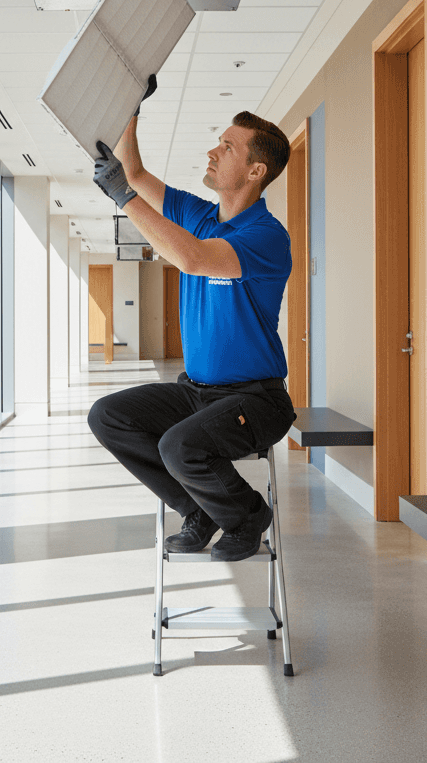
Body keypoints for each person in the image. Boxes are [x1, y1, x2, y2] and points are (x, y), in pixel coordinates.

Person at [88, 78, 295, 561]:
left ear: (255, 171)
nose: (212, 152)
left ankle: (247, 516)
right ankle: (198, 509)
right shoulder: (200, 215)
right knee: (109, 416)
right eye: (219, 142)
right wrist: (130, 107)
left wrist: (123, 198)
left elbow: (195, 259)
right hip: (197, 392)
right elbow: (134, 173)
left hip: (256, 400)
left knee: (179, 445)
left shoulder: (266, 236)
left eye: (227, 147)